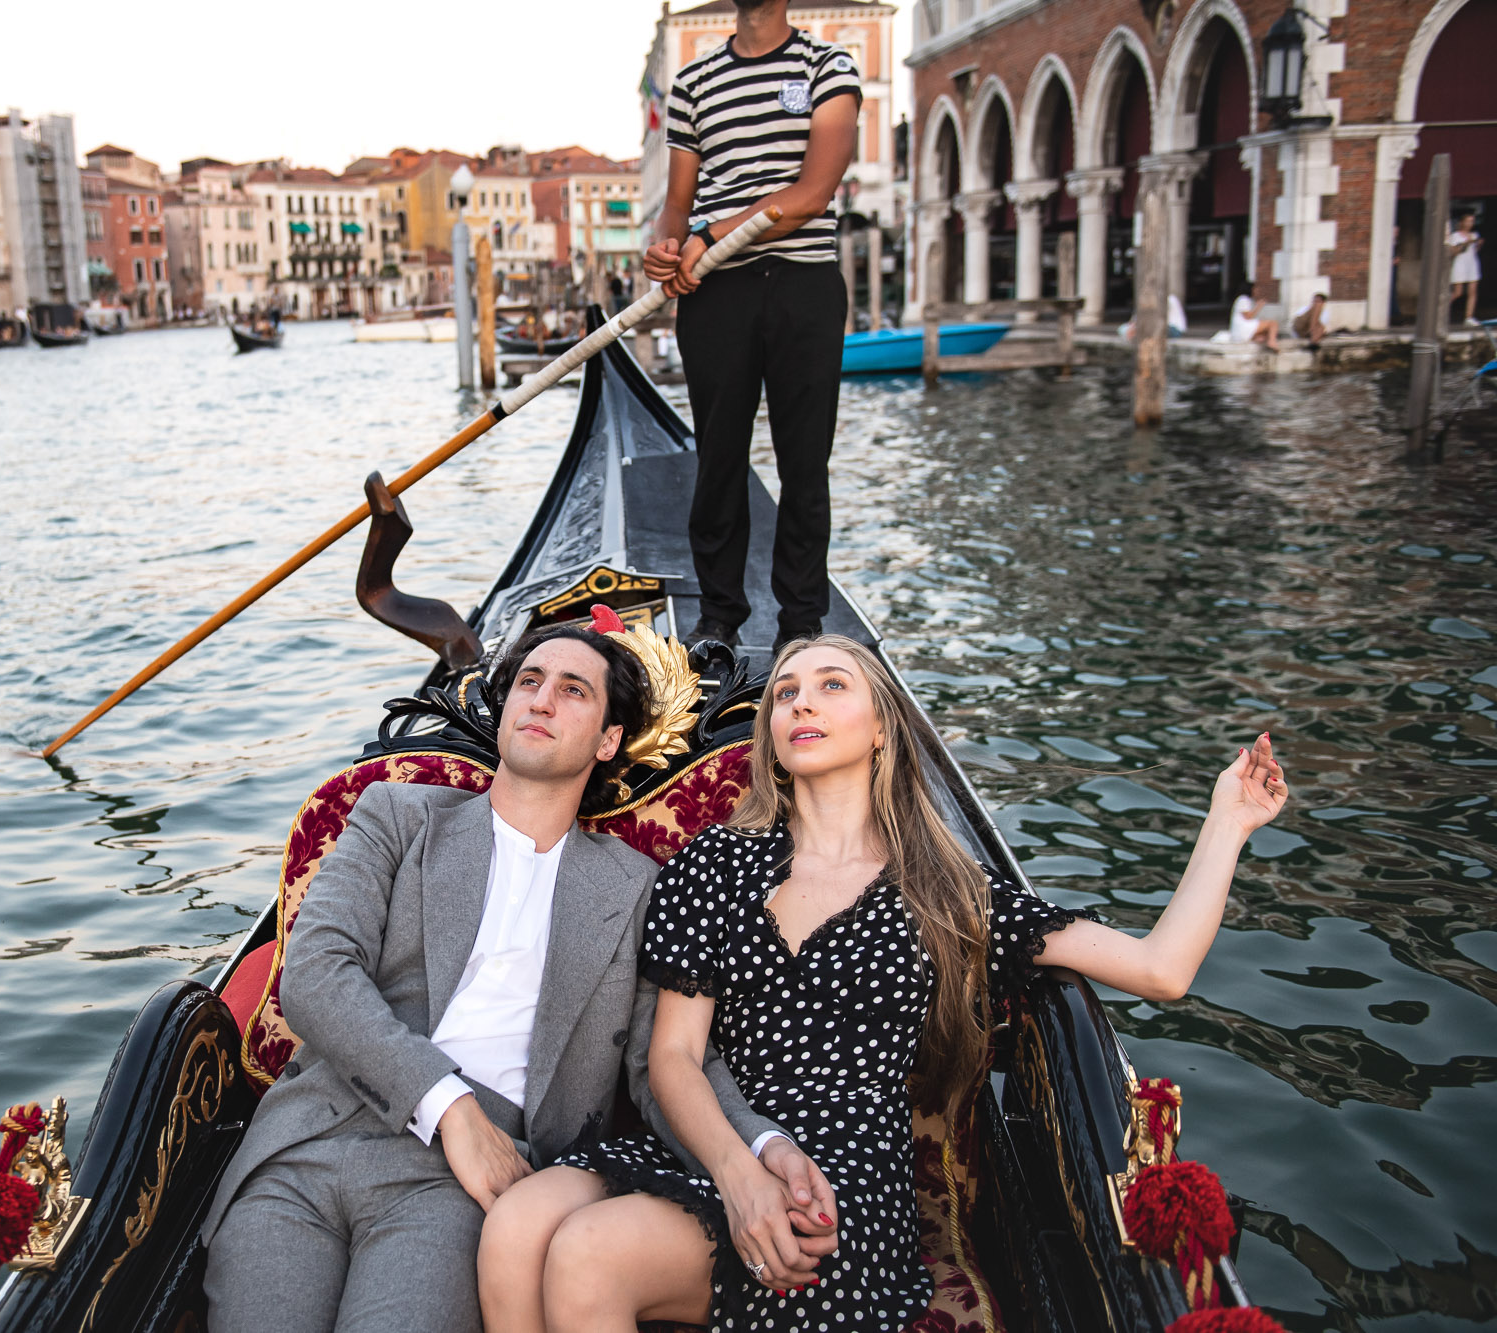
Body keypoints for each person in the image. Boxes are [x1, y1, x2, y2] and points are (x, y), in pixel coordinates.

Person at [480, 633, 1288, 1333]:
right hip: (719, 1142)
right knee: (517, 1227)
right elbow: (674, 1058)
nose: (802, 702)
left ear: (880, 731)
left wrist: (1228, 820)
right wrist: (737, 1173)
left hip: (842, 1185)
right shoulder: (717, 862)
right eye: (787, 691)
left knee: (587, 1256)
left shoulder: (946, 892)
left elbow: (1161, 967)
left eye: (834, 685)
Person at [201, 620, 807, 1333]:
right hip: (314, 1140)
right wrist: (449, 1106)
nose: (542, 700)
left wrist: (760, 1149)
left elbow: (664, 1062)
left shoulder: (636, 886)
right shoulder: (398, 815)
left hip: (462, 1188)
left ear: (608, 740)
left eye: (572, 689)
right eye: (529, 681)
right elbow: (316, 974)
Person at [645, 0, 863, 653]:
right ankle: (718, 619)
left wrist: (707, 235)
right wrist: (664, 247)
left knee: (804, 463)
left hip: (803, 287)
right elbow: (677, 203)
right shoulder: (692, 83)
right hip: (719, 294)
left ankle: (801, 621)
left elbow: (811, 194)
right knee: (718, 460)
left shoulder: (829, 67)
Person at [1449, 213, 1481, 324]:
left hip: (1471, 264)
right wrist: (1466, 243)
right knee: (1458, 292)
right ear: (1462, 222)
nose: (1469, 224)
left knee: (1473, 291)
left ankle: (1469, 317)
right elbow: (1453, 252)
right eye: (1467, 221)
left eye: (1472, 221)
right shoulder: (1455, 236)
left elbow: (1475, 251)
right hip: (1460, 264)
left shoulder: (1474, 235)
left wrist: (1478, 244)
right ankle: (1440, 311)